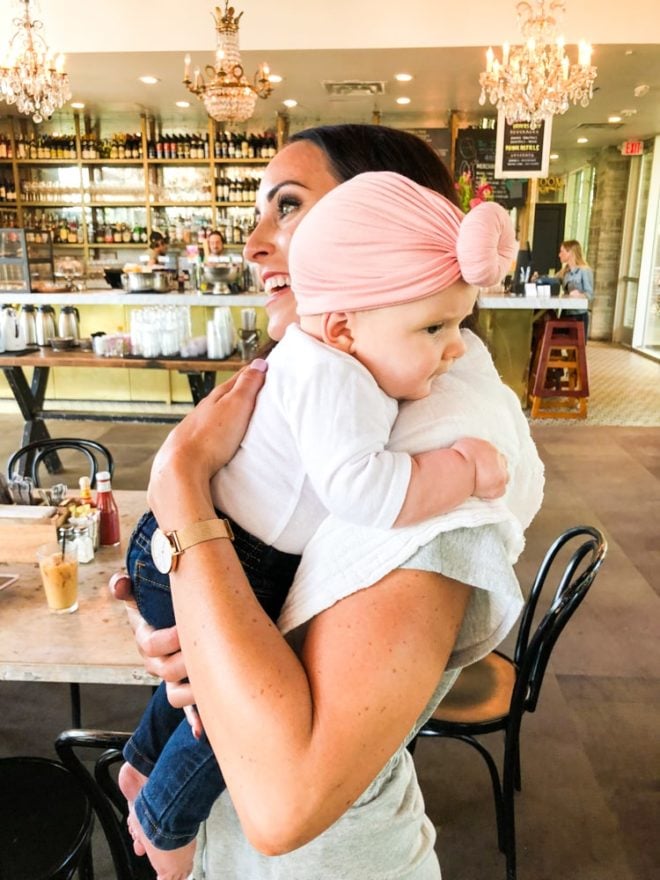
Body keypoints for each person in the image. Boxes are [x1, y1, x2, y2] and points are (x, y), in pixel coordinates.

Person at [116, 124, 544, 880]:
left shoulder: (445, 442)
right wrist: (191, 622)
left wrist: (179, 482)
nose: (252, 244)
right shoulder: (336, 378)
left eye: (288, 207)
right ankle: (147, 773)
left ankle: (155, 800)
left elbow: (284, 801)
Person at [557, 239, 593, 337]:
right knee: (558, 340)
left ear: (570, 253)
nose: (559, 254)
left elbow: (589, 294)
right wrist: (537, 278)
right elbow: (553, 280)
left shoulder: (585, 270)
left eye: (562, 251)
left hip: (579, 315)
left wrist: (580, 295)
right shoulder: (565, 271)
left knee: (576, 348)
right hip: (566, 312)